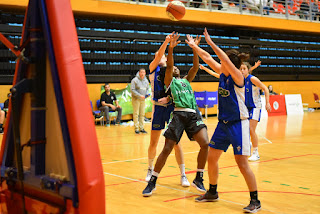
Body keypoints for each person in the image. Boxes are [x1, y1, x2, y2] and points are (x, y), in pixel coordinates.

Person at [185, 28, 261, 213]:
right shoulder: (223, 72)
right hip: (223, 124)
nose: (220, 63)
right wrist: (195, 47)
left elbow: (223, 59)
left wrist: (211, 43)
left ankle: (255, 200)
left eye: (223, 61)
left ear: (230, 64)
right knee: (212, 158)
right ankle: (212, 192)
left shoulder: (238, 77)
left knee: (241, 162)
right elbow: (208, 59)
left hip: (239, 123)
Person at [142, 33, 209, 197]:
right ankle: (152, 179)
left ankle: (196, 177)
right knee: (165, 146)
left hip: (191, 114)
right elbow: (169, 66)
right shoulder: (167, 77)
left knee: (205, 144)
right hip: (173, 113)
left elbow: (194, 68)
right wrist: (170, 47)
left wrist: (194, 49)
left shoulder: (186, 80)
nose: (175, 68)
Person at [146, 32, 190, 187]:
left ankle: (183, 175)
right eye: (160, 56)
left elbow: (175, 91)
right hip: (158, 109)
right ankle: (150, 169)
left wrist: (169, 99)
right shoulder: (152, 69)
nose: (162, 57)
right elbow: (158, 55)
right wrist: (165, 42)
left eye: (164, 56)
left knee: (176, 143)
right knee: (154, 142)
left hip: (171, 109)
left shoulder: (170, 70)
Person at [241, 62, 271, 161]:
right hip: (246, 107)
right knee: (244, 128)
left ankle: (256, 152)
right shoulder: (241, 79)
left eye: (244, 69)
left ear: (248, 70)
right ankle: (248, 144)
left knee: (251, 129)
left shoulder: (252, 79)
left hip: (255, 106)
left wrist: (267, 103)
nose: (242, 71)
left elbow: (265, 88)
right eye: (240, 69)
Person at [131, 68, 149, 134]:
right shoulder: (134, 80)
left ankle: (141, 128)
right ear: (139, 73)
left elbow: (147, 88)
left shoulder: (146, 81)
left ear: (145, 73)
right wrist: (139, 95)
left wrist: (147, 94)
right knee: (136, 114)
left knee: (142, 114)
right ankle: (136, 128)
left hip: (143, 99)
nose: (142, 74)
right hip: (136, 99)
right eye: (141, 72)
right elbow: (132, 90)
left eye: (143, 72)